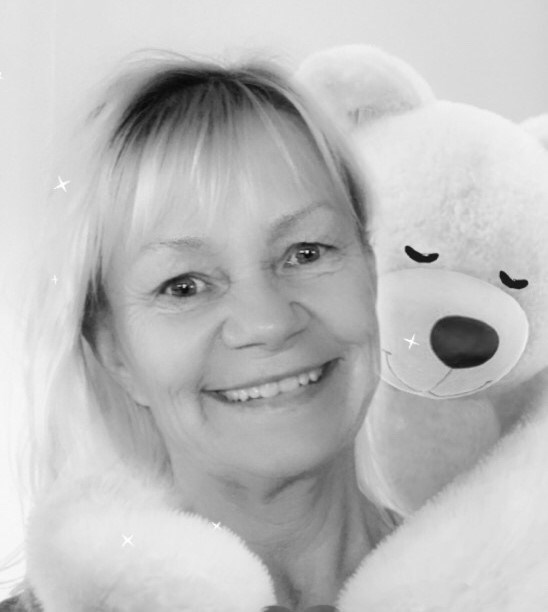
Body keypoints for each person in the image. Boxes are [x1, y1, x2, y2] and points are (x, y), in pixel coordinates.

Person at [0, 49, 398, 611]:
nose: (268, 322)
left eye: (307, 252)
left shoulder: (509, 585)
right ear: (113, 351)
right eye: (184, 286)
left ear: (371, 270)